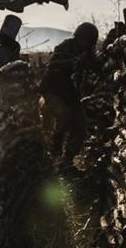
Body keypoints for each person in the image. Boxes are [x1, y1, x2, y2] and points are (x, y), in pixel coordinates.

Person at [39, 22, 99, 168]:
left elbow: (97, 65)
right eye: (82, 40)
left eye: (87, 42)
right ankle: (53, 147)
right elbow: (52, 65)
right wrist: (72, 62)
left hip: (69, 92)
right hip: (52, 89)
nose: (83, 44)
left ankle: (67, 160)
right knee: (63, 115)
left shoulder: (88, 54)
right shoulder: (65, 47)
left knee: (80, 123)